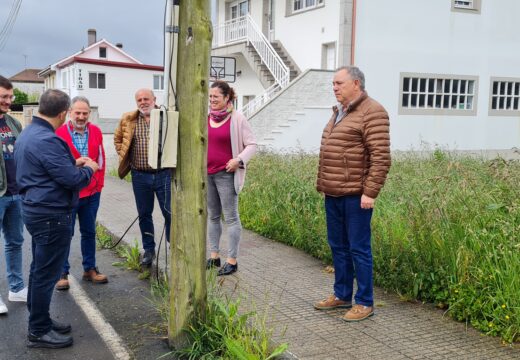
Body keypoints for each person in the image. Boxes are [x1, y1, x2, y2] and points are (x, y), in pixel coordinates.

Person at [15, 89, 99, 348]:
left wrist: (72, 163)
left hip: (37, 209)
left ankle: (40, 320)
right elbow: (72, 180)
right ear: (63, 113)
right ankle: (38, 331)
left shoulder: (29, 132)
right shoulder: (47, 139)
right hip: (50, 214)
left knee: (39, 269)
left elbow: (49, 170)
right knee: (45, 274)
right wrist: (88, 169)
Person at [314, 66, 391, 322]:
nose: (334, 87)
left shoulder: (373, 111)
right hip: (333, 192)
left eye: (339, 83)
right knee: (338, 247)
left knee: (359, 249)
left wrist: (370, 192)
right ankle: (342, 295)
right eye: (333, 83)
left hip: (357, 195)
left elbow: (381, 157)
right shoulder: (339, 112)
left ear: (356, 83)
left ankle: (365, 302)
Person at [54, 96, 107, 290]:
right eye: (78, 112)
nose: (81, 116)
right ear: (70, 113)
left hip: (92, 193)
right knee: (65, 233)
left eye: (85, 113)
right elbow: (56, 164)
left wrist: (98, 185)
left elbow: (101, 161)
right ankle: (62, 272)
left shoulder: (96, 131)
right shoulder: (59, 133)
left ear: (89, 114)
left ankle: (89, 268)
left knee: (89, 231)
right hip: (69, 192)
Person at [114, 89, 171, 266]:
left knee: (169, 212)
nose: (143, 102)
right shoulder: (128, 119)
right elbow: (117, 140)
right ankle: (149, 250)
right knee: (144, 214)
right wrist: (126, 156)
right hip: (140, 175)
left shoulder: (166, 117)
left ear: (154, 100)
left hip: (163, 174)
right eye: (139, 99)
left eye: (146, 99)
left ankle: (173, 246)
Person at [205, 80, 257, 276]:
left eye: (216, 97)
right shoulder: (207, 117)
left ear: (227, 98)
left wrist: (238, 160)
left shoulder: (237, 119)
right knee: (213, 216)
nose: (212, 100)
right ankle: (214, 256)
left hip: (226, 175)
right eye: (210, 97)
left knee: (232, 218)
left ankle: (232, 260)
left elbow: (252, 145)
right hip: (208, 174)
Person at [0, 75, 26, 315]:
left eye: (10, 96)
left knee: (15, 242)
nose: (9, 101)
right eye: (4, 97)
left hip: (15, 193)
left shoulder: (13, 123)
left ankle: (16, 288)